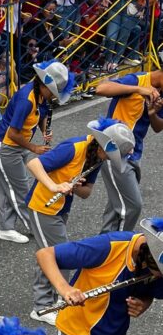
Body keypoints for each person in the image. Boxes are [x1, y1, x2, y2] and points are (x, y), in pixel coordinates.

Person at [25, 119, 133, 324]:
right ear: (104, 144)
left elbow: (86, 193)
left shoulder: (97, 157)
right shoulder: (74, 147)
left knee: (49, 252)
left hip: (60, 208)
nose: (110, 159)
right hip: (43, 206)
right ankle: (43, 306)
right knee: (58, 253)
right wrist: (55, 186)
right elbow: (33, 163)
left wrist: (74, 185)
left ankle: (45, 303)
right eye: (111, 154)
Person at [0, 60, 75, 243]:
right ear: (46, 85)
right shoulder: (26, 100)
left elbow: (41, 115)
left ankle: (6, 228)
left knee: (8, 188)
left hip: (17, 147)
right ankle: (36, 227)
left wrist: (45, 129)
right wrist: (34, 148)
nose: (55, 96)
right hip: (7, 148)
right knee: (20, 189)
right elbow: (12, 133)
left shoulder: (40, 95)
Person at [94, 70, 163, 232]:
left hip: (135, 153)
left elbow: (158, 127)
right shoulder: (136, 80)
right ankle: (120, 247)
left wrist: (152, 113)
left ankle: (103, 246)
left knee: (116, 206)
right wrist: (139, 89)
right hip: (114, 151)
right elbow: (101, 89)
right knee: (132, 206)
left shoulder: (160, 93)